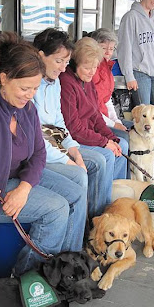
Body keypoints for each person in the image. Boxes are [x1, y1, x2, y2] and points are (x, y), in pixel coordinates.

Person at [0, 32, 86, 276]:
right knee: (57, 208)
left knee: (78, 190)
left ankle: (69, 268)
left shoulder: (25, 108)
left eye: (35, 88)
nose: (30, 95)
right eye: (25, 88)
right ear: (4, 79)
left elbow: (39, 153)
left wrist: (25, 188)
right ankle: (29, 281)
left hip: (15, 179)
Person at [33, 28, 108, 218]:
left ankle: (95, 220)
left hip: (55, 144)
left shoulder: (55, 81)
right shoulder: (30, 85)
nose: (63, 68)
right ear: (40, 56)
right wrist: (67, 159)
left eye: (66, 62)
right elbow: (37, 136)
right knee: (83, 171)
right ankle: (89, 224)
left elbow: (58, 120)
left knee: (90, 162)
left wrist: (73, 150)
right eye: (59, 61)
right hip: (40, 153)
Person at [60, 37, 128, 204]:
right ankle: (99, 209)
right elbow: (73, 128)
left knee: (122, 145)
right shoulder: (66, 83)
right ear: (74, 64)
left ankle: (116, 198)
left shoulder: (87, 81)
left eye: (95, 67)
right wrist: (104, 142)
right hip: (73, 138)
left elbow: (95, 115)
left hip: (87, 133)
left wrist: (110, 138)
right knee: (107, 155)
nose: (92, 72)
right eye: (87, 67)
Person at [117, 0, 154, 113]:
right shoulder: (131, 17)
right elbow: (124, 48)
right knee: (143, 116)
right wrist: (129, 76)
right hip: (140, 73)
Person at [90, 28, 133, 144]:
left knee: (139, 128)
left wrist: (116, 121)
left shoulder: (108, 68)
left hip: (107, 118)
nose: (108, 52)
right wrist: (114, 124)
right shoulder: (91, 71)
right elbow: (92, 110)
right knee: (126, 137)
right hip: (96, 121)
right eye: (103, 48)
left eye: (111, 48)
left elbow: (107, 100)